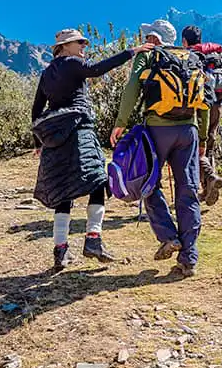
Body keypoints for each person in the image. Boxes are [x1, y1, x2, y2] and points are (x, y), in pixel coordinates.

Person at [32, 28, 154, 270]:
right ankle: (93, 240)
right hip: (79, 131)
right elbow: (97, 70)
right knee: (98, 181)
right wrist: (132, 52)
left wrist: (39, 143)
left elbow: (36, 110)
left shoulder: (47, 73)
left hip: (55, 138)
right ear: (65, 46)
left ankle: (60, 251)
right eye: (79, 43)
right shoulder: (72, 63)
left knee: (63, 191)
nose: (83, 47)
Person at [111, 19, 210, 278]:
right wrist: (203, 139)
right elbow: (205, 101)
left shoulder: (149, 56)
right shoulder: (191, 57)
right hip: (188, 131)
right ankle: (189, 258)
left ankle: (168, 236)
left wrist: (121, 122)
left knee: (148, 183)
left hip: (157, 130)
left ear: (153, 38)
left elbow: (133, 87)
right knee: (187, 190)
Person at [181, 25, 222, 205]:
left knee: (195, 144)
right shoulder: (217, 54)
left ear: (184, 41)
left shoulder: (191, 56)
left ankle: (206, 181)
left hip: (198, 105)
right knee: (209, 144)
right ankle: (208, 187)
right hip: (217, 104)